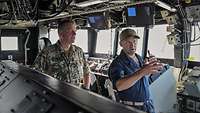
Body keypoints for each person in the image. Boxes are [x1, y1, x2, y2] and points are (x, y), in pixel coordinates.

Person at [108, 29, 164, 113]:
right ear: (121, 44)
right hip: (131, 108)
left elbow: (142, 78)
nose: (132, 45)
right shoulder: (117, 63)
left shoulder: (140, 58)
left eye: (134, 41)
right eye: (128, 42)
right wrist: (142, 71)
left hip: (147, 106)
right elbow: (119, 86)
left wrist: (152, 67)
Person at [33, 19, 90, 89]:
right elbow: (35, 74)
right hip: (56, 95)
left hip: (76, 95)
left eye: (75, 31)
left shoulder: (79, 51)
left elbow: (86, 72)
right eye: (71, 31)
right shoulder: (47, 52)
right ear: (61, 34)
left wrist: (86, 89)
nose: (75, 33)